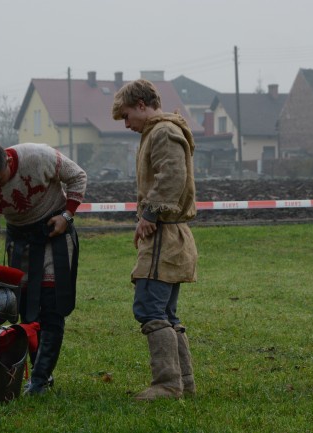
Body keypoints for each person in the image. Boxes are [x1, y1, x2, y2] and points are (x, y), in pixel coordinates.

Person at [0, 142, 87, 396]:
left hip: (55, 234)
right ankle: (42, 374)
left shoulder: (38, 156)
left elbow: (77, 177)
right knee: (28, 310)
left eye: (0, 179)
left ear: (9, 163)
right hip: (20, 242)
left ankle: (40, 380)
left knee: (53, 306)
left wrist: (67, 216)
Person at [111, 79, 198, 400]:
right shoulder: (161, 131)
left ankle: (167, 384)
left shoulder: (162, 132)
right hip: (171, 235)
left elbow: (172, 175)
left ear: (143, 105)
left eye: (127, 115)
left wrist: (149, 214)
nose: (126, 124)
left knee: (149, 308)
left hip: (164, 235)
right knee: (166, 313)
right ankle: (184, 383)